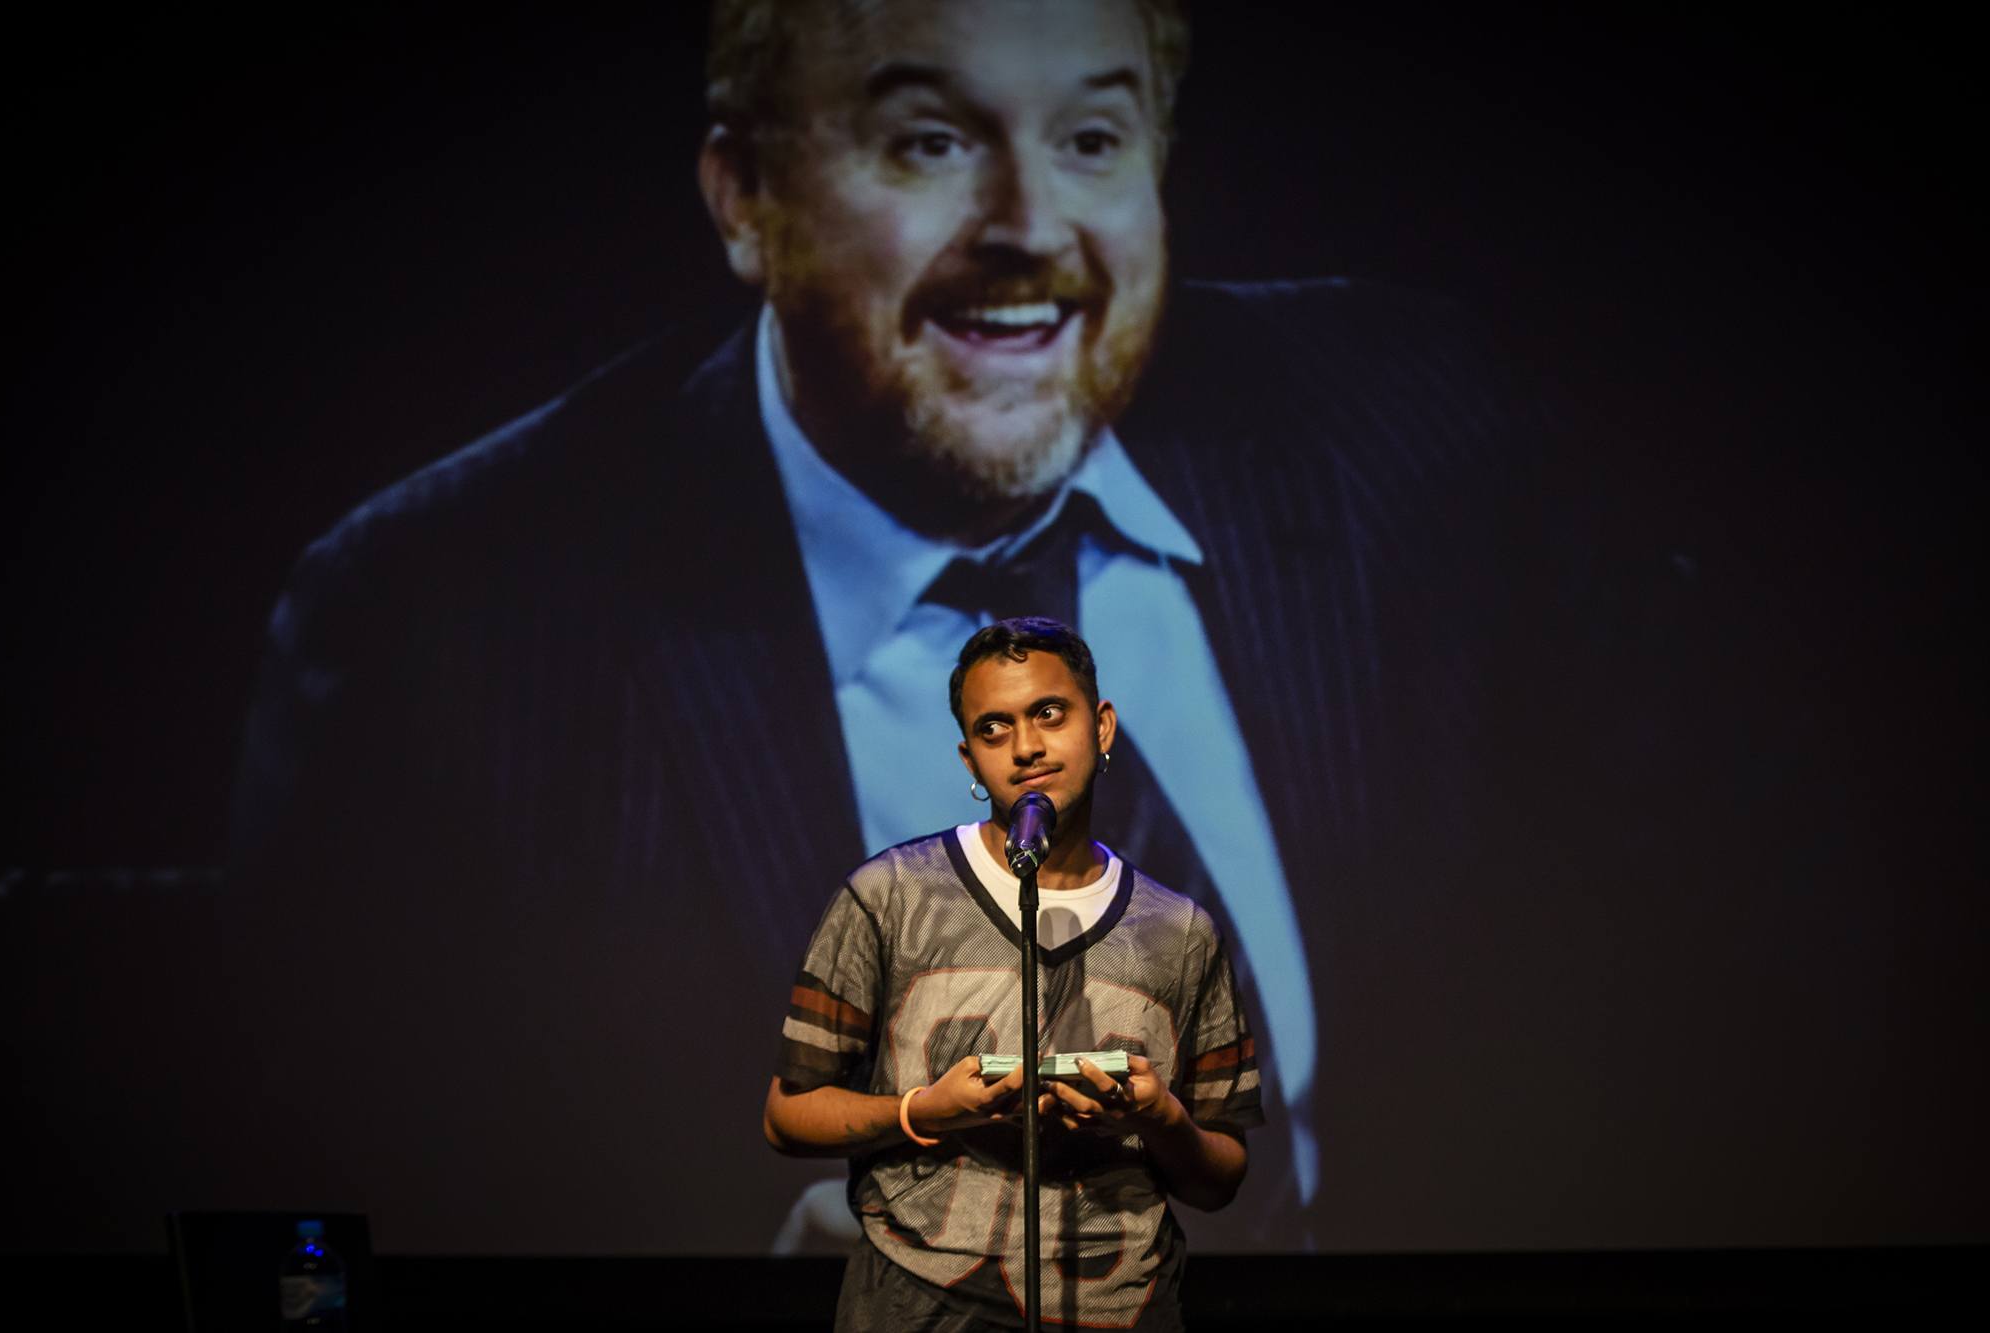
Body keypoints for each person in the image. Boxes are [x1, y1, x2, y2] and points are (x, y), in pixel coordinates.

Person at [227, 0, 1538, 1250]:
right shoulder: (439, 632)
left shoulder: (1412, 426)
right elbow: (319, 1238)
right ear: (747, 199)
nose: (1031, 227)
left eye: (1092, 139)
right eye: (931, 142)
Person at [771, 617, 1256, 1330]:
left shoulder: (1180, 932)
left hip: (1119, 1307)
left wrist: (1160, 1117)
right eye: (994, 729)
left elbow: (1222, 1174)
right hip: (913, 1308)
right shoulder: (890, 895)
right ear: (969, 760)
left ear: (1104, 725)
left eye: (1049, 714)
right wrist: (921, 1111)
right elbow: (787, 1114)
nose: (1026, 746)